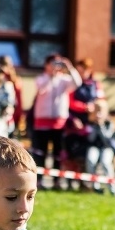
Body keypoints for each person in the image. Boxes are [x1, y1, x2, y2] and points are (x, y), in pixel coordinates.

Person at [31, 54, 82, 190]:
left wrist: (69, 67)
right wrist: (51, 76)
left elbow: (77, 83)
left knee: (58, 153)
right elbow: (42, 89)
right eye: (52, 63)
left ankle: (57, 180)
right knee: (40, 152)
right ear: (46, 65)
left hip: (58, 123)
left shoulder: (64, 80)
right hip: (42, 122)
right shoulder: (41, 79)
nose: (55, 66)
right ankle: (39, 180)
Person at [0, 55, 23, 137]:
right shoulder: (15, 79)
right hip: (11, 117)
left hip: (3, 117)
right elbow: (19, 102)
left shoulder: (11, 80)